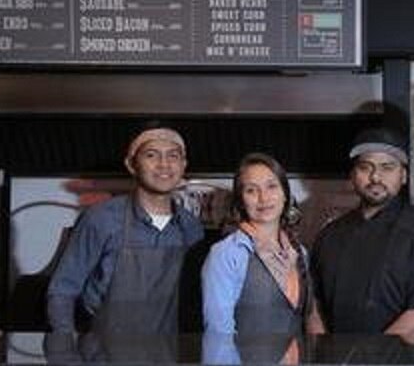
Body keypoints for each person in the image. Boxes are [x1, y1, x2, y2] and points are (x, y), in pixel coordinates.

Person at [45, 125, 203, 335]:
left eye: (173, 156)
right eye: (151, 155)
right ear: (131, 164)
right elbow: (62, 291)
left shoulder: (191, 227)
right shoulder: (102, 219)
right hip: (104, 354)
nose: (164, 164)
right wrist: (65, 349)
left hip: (167, 354)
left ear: (183, 165)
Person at [310, 127, 414, 334]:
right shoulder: (329, 236)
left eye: (387, 167)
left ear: (403, 176)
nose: (375, 177)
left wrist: (373, 359)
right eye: (365, 167)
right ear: (353, 174)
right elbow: (314, 308)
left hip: (400, 362)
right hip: (335, 362)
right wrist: (324, 356)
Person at [201, 153, 310, 336]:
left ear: (285, 195)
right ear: (241, 201)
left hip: (297, 363)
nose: (263, 198)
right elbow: (218, 332)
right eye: (251, 190)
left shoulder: (299, 252)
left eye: (272, 187)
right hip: (246, 363)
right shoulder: (226, 254)